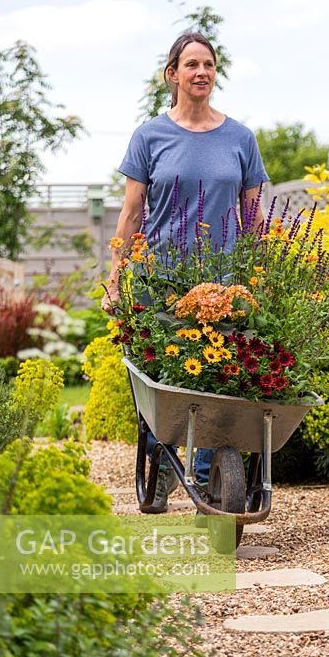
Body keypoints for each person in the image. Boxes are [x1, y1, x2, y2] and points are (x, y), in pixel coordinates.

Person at [101, 32, 270, 512]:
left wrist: (264, 278)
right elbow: (132, 213)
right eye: (191, 64)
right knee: (166, 378)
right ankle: (162, 465)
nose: (201, 73)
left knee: (221, 381)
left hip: (223, 282)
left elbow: (253, 216)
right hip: (162, 279)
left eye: (209, 65)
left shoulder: (240, 138)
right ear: (172, 74)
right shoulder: (150, 136)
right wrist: (116, 276)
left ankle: (208, 474)